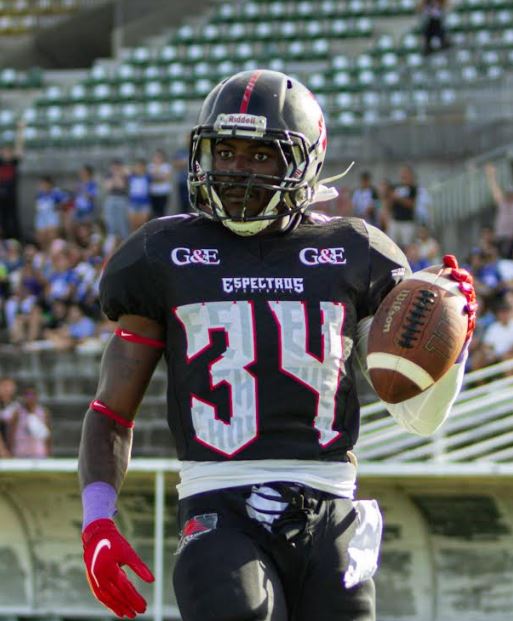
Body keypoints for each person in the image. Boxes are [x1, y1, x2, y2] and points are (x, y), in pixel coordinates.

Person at [78, 70, 477, 621]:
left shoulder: (356, 251)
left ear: (305, 162)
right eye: (226, 152)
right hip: (217, 501)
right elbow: (111, 409)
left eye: (261, 156)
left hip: (332, 506)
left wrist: (452, 354)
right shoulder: (160, 253)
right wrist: (97, 519)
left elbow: (418, 419)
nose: (239, 171)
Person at [0, 120, 25, 240]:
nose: (7, 154)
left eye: (9, 151)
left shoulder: (13, 163)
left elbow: (19, 149)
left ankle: (16, 240)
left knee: (13, 220)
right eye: (4, 151)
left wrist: (20, 131)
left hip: (11, 195)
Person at [485, 163, 513, 259]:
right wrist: (491, 176)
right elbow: (495, 191)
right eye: (509, 194)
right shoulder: (503, 204)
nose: (510, 196)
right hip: (501, 237)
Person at [148, 149, 172, 219]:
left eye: (159, 157)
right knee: (155, 211)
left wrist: (157, 175)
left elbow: (165, 177)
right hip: (153, 192)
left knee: (162, 211)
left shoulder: (166, 166)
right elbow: (151, 177)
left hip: (163, 192)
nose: (157, 158)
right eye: (156, 156)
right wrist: (159, 175)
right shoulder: (150, 166)